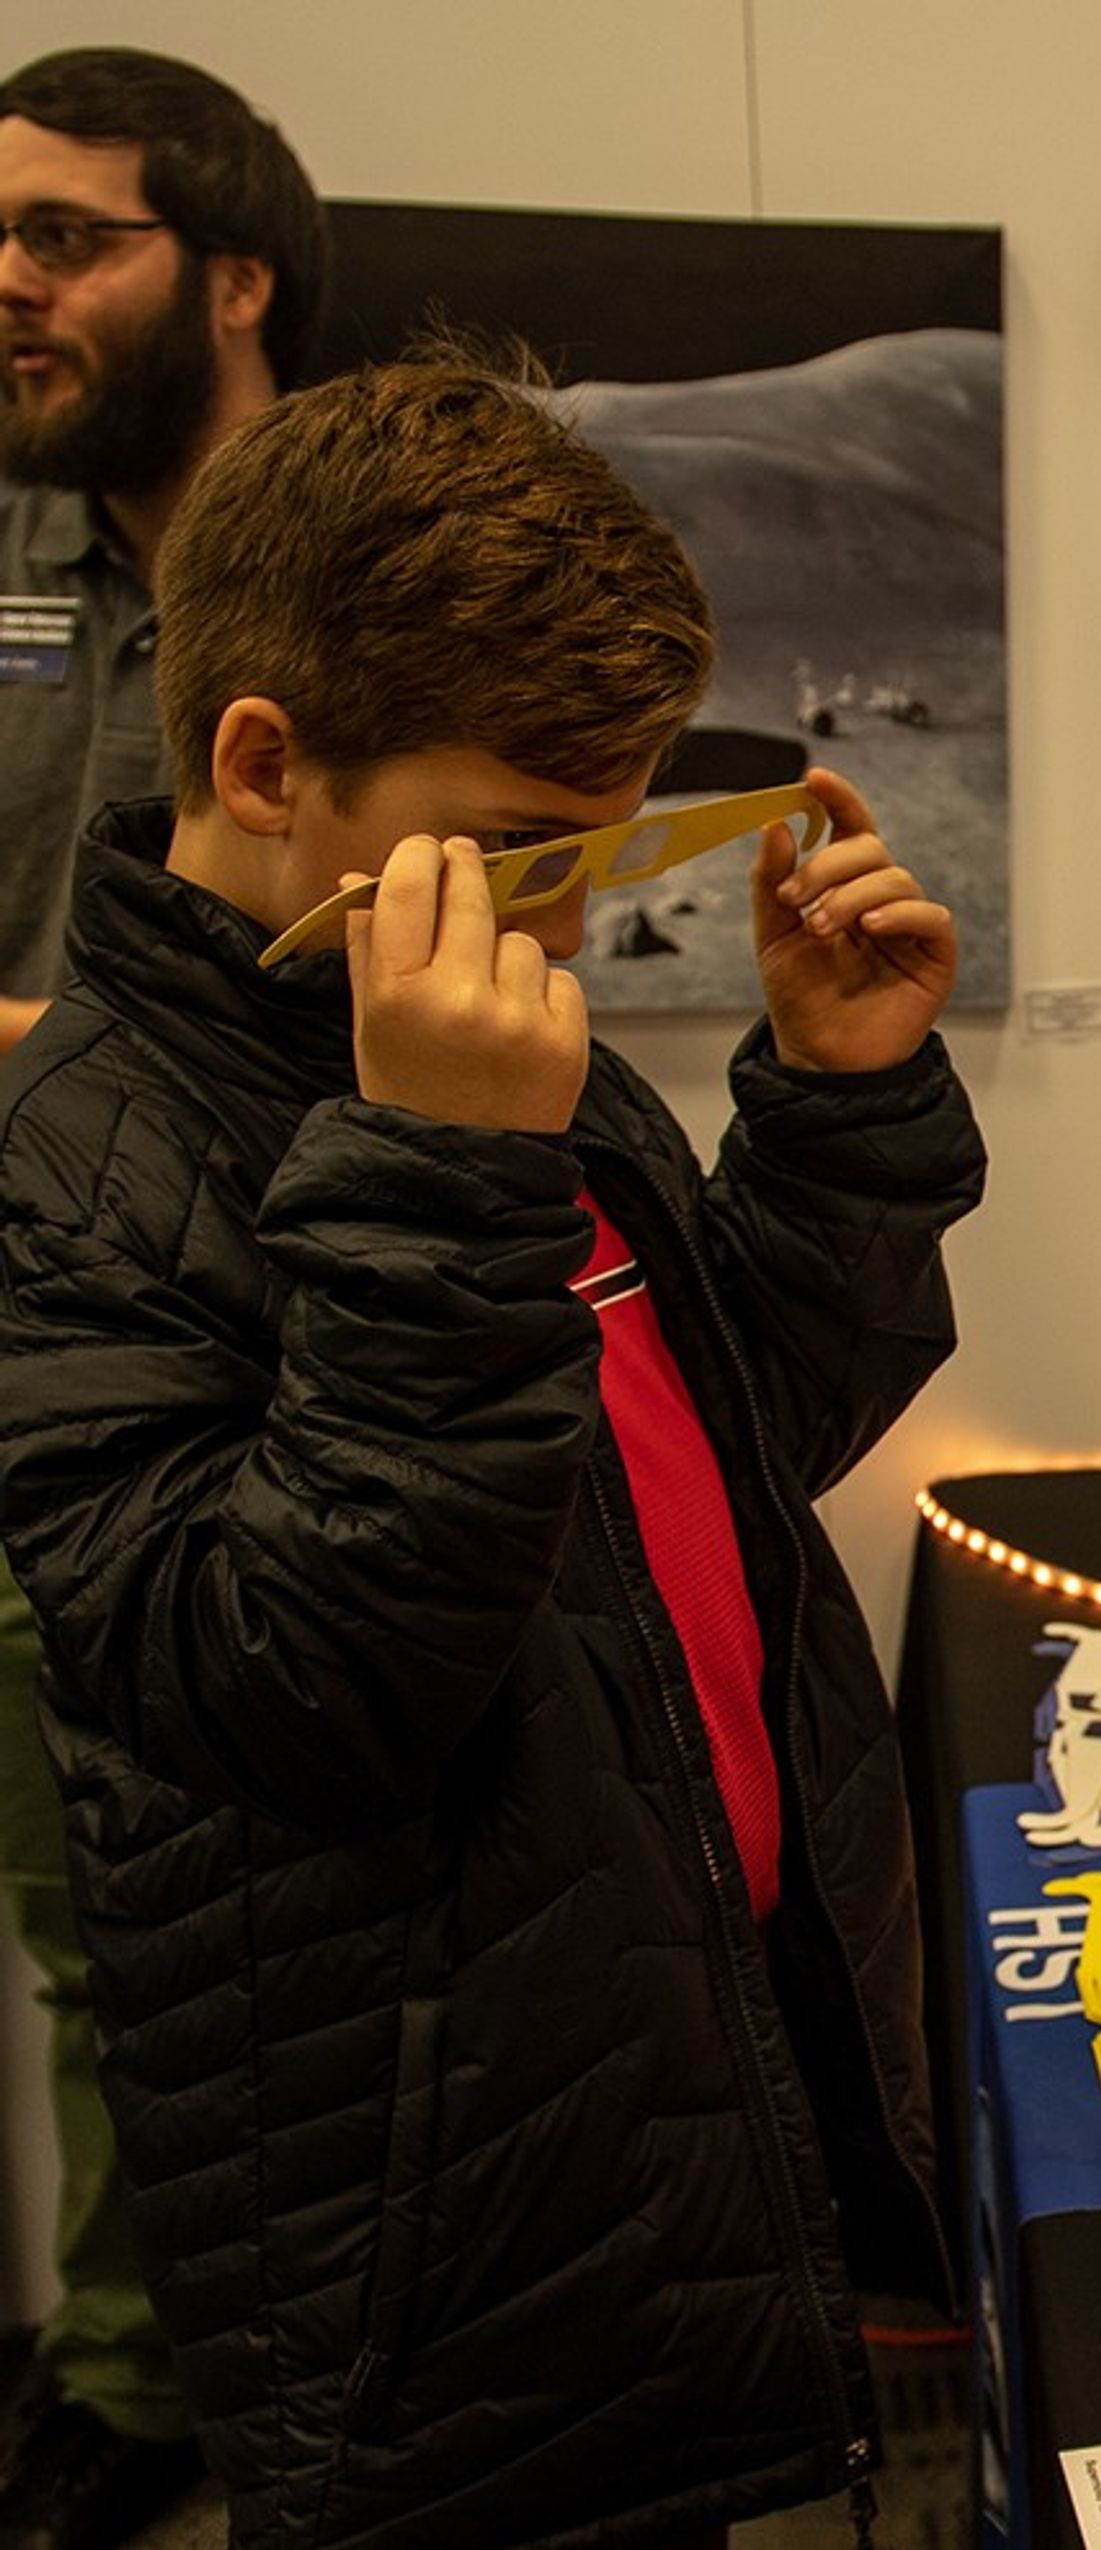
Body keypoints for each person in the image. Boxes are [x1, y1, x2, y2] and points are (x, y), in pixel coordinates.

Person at [0, 348, 985, 2544]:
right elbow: (298, 1682)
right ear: (266, 762)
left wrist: (831, 1110)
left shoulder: (525, 1065)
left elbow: (719, 1456)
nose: (565, 918)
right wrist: (441, 1177)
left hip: (671, 2069)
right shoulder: (64, 1166)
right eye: (522, 846)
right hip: (432, 2227)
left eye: (604, 841)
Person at [0, 46, 324, 2548]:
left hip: (299, 1356)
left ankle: (252, 2388)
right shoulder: (15, 578)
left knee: (282, 1927)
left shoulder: (364, 564)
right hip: (35, 1352)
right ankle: (133, 2377)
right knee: (81, 1925)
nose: (10, 285)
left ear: (230, 275)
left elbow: (404, 960)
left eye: (64, 237)